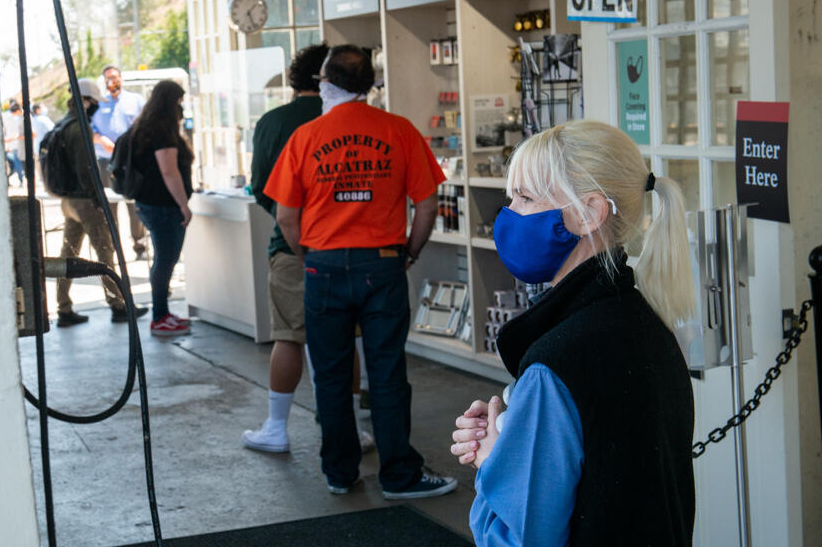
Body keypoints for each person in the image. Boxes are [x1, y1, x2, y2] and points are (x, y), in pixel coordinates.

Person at [448, 120, 696, 546]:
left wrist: (494, 462)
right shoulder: (647, 323)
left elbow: (518, 540)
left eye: (524, 197)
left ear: (588, 214)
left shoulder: (556, 364)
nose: (508, 214)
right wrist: (512, 441)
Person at [263, 44, 456, 499]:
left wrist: (310, 258)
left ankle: (339, 472)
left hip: (323, 266)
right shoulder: (399, 130)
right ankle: (399, 477)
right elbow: (426, 206)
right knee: (387, 373)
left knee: (330, 376)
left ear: (325, 81)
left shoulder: (306, 137)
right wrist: (409, 251)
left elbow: (286, 217)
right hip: (383, 264)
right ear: (369, 83)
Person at [240, 43, 375, 455]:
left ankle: (276, 427)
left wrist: (297, 226)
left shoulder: (274, 122)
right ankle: (348, 426)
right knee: (345, 339)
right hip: (354, 248)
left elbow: (263, 189)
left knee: (288, 337)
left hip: (293, 247)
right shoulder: (362, 120)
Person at [51, 79, 149, 327]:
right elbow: (87, 169)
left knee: (68, 254)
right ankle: (118, 305)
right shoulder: (79, 127)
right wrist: (97, 199)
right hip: (85, 201)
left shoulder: (63, 124)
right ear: (85, 101)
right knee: (105, 252)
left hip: (68, 200)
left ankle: (63, 308)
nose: (95, 107)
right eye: (93, 102)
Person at [127, 80, 193, 337]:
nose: (181, 107)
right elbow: (169, 170)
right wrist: (183, 205)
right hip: (163, 206)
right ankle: (159, 317)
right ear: (171, 102)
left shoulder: (144, 126)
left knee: (163, 260)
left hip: (149, 204)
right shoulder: (161, 130)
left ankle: (162, 313)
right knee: (165, 260)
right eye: (178, 101)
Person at [92, 64, 149, 258]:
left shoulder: (136, 100)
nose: (112, 81)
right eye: (108, 78)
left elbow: (146, 125)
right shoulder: (98, 103)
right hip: (106, 161)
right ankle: (114, 246)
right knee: (110, 205)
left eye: (115, 77)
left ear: (121, 78)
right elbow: (89, 129)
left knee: (133, 202)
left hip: (131, 161)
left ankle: (139, 243)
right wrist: (101, 139)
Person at [2, 100, 27, 187]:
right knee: (21, 162)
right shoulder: (19, 116)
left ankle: (21, 180)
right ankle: (24, 179)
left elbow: (4, 130)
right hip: (19, 141)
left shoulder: (5, 116)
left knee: (17, 162)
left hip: (11, 141)